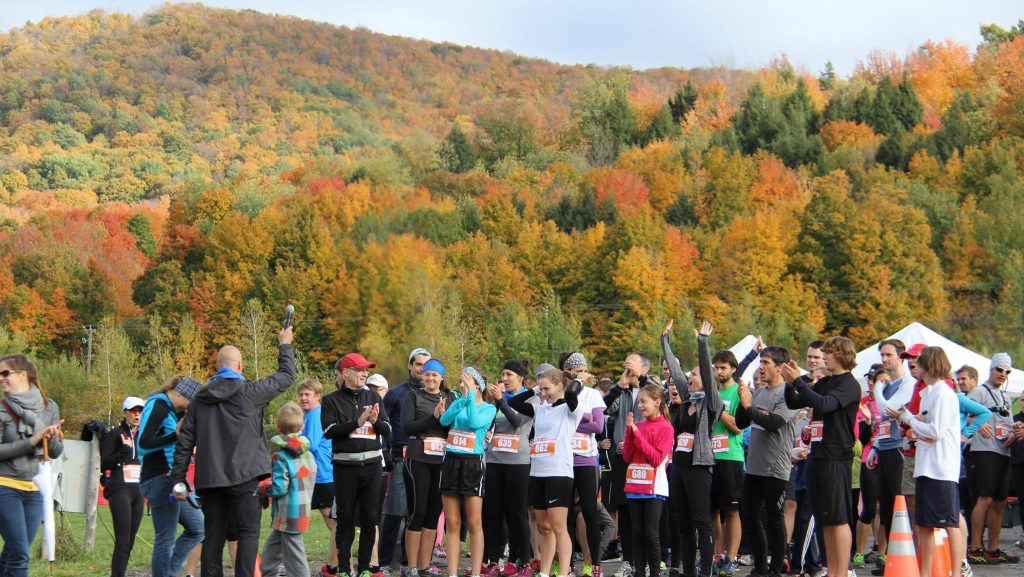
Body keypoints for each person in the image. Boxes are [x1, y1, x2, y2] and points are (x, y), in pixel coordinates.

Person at [170, 325, 296, 577]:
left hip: (210, 480)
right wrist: (285, 344)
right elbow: (286, 375)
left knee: (213, 535)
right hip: (246, 477)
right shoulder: (250, 392)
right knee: (248, 533)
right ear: (240, 366)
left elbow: (185, 441)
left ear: (217, 368)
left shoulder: (199, 401)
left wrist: (178, 478)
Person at [783, 336, 862, 577]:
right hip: (816, 456)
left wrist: (798, 380)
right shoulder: (825, 381)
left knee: (838, 518)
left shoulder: (849, 384)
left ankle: (841, 570)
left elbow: (824, 404)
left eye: (829, 352)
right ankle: (831, 570)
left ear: (842, 355)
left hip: (836, 457)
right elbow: (796, 401)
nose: (824, 356)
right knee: (824, 518)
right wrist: (790, 382)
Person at [890, 347, 964, 577]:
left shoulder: (943, 393)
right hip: (927, 466)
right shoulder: (928, 393)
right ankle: (925, 572)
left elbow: (936, 431)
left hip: (940, 468)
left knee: (949, 523)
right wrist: (913, 420)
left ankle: (957, 570)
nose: (914, 365)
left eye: (919, 362)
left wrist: (908, 419)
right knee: (924, 524)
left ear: (929, 365)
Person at [509, 368, 585, 577]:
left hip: (559, 472)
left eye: (547, 388)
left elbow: (571, 394)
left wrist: (577, 380)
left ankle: (563, 572)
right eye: (541, 389)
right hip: (538, 472)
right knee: (544, 525)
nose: (543, 393)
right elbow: (514, 403)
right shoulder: (540, 408)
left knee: (559, 526)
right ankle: (544, 570)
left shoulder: (570, 409)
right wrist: (536, 389)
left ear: (560, 385)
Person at [322, 352, 392, 577]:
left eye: (366, 370)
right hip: (345, 469)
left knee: (370, 520)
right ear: (346, 372)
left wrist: (375, 421)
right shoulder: (331, 400)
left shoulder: (373, 397)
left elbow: (388, 430)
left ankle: (364, 569)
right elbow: (329, 432)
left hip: (372, 467)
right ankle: (344, 569)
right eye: (360, 370)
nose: (365, 373)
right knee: (345, 520)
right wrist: (357, 423)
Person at [662, 319, 720, 577]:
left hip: (699, 468)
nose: (689, 377)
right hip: (680, 467)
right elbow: (675, 370)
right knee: (682, 523)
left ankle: (705, 570)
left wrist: (702, 343)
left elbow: (707, 373)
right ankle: (687, 571)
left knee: (701, 522)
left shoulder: (711, 403)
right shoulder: (686, 399)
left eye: (693, 374)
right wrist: (665, 340)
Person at [736, 346, 798, 577]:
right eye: (760, 362)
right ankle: (760, 567)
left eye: (766, 363)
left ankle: (776, 568)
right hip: (754, 467)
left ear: (780, 367)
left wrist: (749, 406)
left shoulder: (788, 395)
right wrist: (743, 401)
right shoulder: (760, 393)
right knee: (751, 517)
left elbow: (773, 423)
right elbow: (743, 422)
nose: (761, 367)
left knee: (774, 518)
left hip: (776, 468)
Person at [0, 354, 64, 577]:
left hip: (35, 487)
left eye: (5, 373)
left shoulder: (49, 407)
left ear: (23, 375)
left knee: (14, 552)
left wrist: (53, 437)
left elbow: (54, 452)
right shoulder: (1, 409)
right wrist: (31, 441)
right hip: (4, 487)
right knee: (20, 555)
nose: (1, 378)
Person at [138, 375, 204, 577]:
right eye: (192, 403)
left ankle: (169, 573)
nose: (191, 408)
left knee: (198, 527)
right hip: (159, 478)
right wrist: (175, 435)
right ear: (181, 394)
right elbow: (143, 444)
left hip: (173, 479)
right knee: (165, 539)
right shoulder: (158, 405)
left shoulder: (173, 411)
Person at [439, 367, 497, 577]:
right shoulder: (461, 401)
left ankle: (474, 572)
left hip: (472, 463)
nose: (462, 385)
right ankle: (452, 573)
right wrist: (461, 401)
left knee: (473, 522)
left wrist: (471, 396)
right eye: (461, 381)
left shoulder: (488, 408)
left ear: (477, 385)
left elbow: (474, 423)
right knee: (452, 523)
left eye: (467, 382)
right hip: (451, 461)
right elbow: (444, 421)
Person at [965, 353, 1020, 565]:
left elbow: (1008, 422)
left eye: (1007, 371)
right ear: (991, 369)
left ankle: (993, 549)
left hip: (1003, 451)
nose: (1003, 375)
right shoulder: (979, 391)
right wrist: (976, 422)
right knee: (985, 498)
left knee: (1000, 501)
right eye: (1000, 370)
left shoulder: (1005, 397)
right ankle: (975, 547)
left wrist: (1015, 431)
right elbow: (962, 413)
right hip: (984, 450)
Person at [381, 348, 432, 576]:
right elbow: (383, 425)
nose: (423, 370)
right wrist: (388, 452)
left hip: (429, 459)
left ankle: (409, 562)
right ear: (410, 366)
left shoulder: (438, 393)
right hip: (400, 457)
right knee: (395, 509)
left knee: (417, 510)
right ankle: (383, 560)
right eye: (419, 365)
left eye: (427, 366)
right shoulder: (395, 393)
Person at [603, 352, 654, 577]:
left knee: (645, 511)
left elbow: (657, 403)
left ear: (644, 368)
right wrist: (619, 385)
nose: (626, 363)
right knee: (623, 508)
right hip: (622, 457)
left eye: (631, 361)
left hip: (645, 458)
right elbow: (604, 408)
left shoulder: (651, 388)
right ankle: (629, 560)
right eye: (625, 360)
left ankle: (649, 561)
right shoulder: (621, 391)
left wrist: (638, 380)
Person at [402, 358, 453, 577]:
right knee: (418, 511)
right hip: (418, 459)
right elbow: (407, 426)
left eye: (435, 375)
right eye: (427, 374)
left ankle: (424, 565)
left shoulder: (449, 398)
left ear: (442, 378)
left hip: (441, 461)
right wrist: (433, 417)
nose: (430, 378)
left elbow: (452, 427)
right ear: (423, 376)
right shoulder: (413, 396)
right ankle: (411, 565)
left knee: (433, 513)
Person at [483, 360, 534, 577]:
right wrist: (494, 403)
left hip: (518, 463)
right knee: (494, 513)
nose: (504, 378)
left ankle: (520, 560)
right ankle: (493, 561)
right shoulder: (498, 399)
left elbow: (517, 422)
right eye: (502, 374)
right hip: (495, 460)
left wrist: (501, 400)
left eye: (509, 374)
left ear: (520, 378)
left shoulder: (529, 398)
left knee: (517, 514)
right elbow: (487, 423)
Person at [259, 402, 317, 577]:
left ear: (277, 427)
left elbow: (279, 488)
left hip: (287, 514)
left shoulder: (280, 456)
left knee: (296, 560)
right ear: (302, 425)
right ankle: (267, 572)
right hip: (301, 511)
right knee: (271, 551)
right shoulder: (308, 454)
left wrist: (263, 489)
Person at [562, 353, 607, 577]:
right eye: (578, 369)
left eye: (584, 368)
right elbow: (559, 422)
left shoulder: (593, 395)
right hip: (563, 461)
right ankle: (567, 565)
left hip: (587, 460)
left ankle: (593, 564)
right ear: (569, 372)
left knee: (590, 513)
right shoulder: (563, 393)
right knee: (566, 515)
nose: (583, 372)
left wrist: (573, 423)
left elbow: (598, 426)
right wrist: (584, 420)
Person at [622, 384, 674, 577]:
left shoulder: (666, 428)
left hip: (654, 488)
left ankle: (654, 572)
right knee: (637, 533)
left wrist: (636, 433)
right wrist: (629, 432)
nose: (640, 405)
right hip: (634, 484)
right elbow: (627, 456)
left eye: (644, 401)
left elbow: (656, 459)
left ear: (657, 402)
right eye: (639, 402)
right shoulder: (639, 426)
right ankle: (639, 571)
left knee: (651, 533)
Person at [708, 348, 745, 577]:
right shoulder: (709, 392)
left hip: (731, 456)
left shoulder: (738, 392)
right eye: (716, 367)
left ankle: (731, 558)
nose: (719, 372)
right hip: (709, 457)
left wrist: (719, 410)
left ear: (732, 369)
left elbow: (738, 426)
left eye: (723, 367)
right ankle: (716, 555)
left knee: (731, 510)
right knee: (711, 509)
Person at [301, 379, 341, 577]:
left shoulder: (316, 414)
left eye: (307, 394)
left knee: (333, 523)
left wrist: (291, 442)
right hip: (319, 474)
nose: (303, 398)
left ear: (317, 396)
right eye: (301, 395)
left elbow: (312, 444)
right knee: (332, 523)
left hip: (323, 475)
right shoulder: (312, 414)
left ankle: (337, 567)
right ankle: (339, 566)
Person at [103, 396, 146, 577]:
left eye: (140, 411)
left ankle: (120, 573)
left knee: (130, 540)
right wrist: (124, 451)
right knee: (122, 540)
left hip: (139, 490)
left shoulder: (145, 435)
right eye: (133, 411)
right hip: (120, 489)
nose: (137, 414)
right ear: (125, 412)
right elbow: (105, 462)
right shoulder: (115, 434)